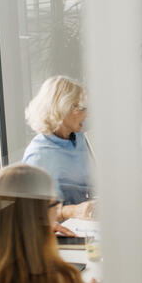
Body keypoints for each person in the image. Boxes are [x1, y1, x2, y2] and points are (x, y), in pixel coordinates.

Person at [23, 75, 96, 221]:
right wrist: (71, 211)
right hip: (57, 233)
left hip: (85, 223)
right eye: (81, 109)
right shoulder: (38, 156)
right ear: (62, 109)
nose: (86, 115)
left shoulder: (78, 138)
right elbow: (35, 215)